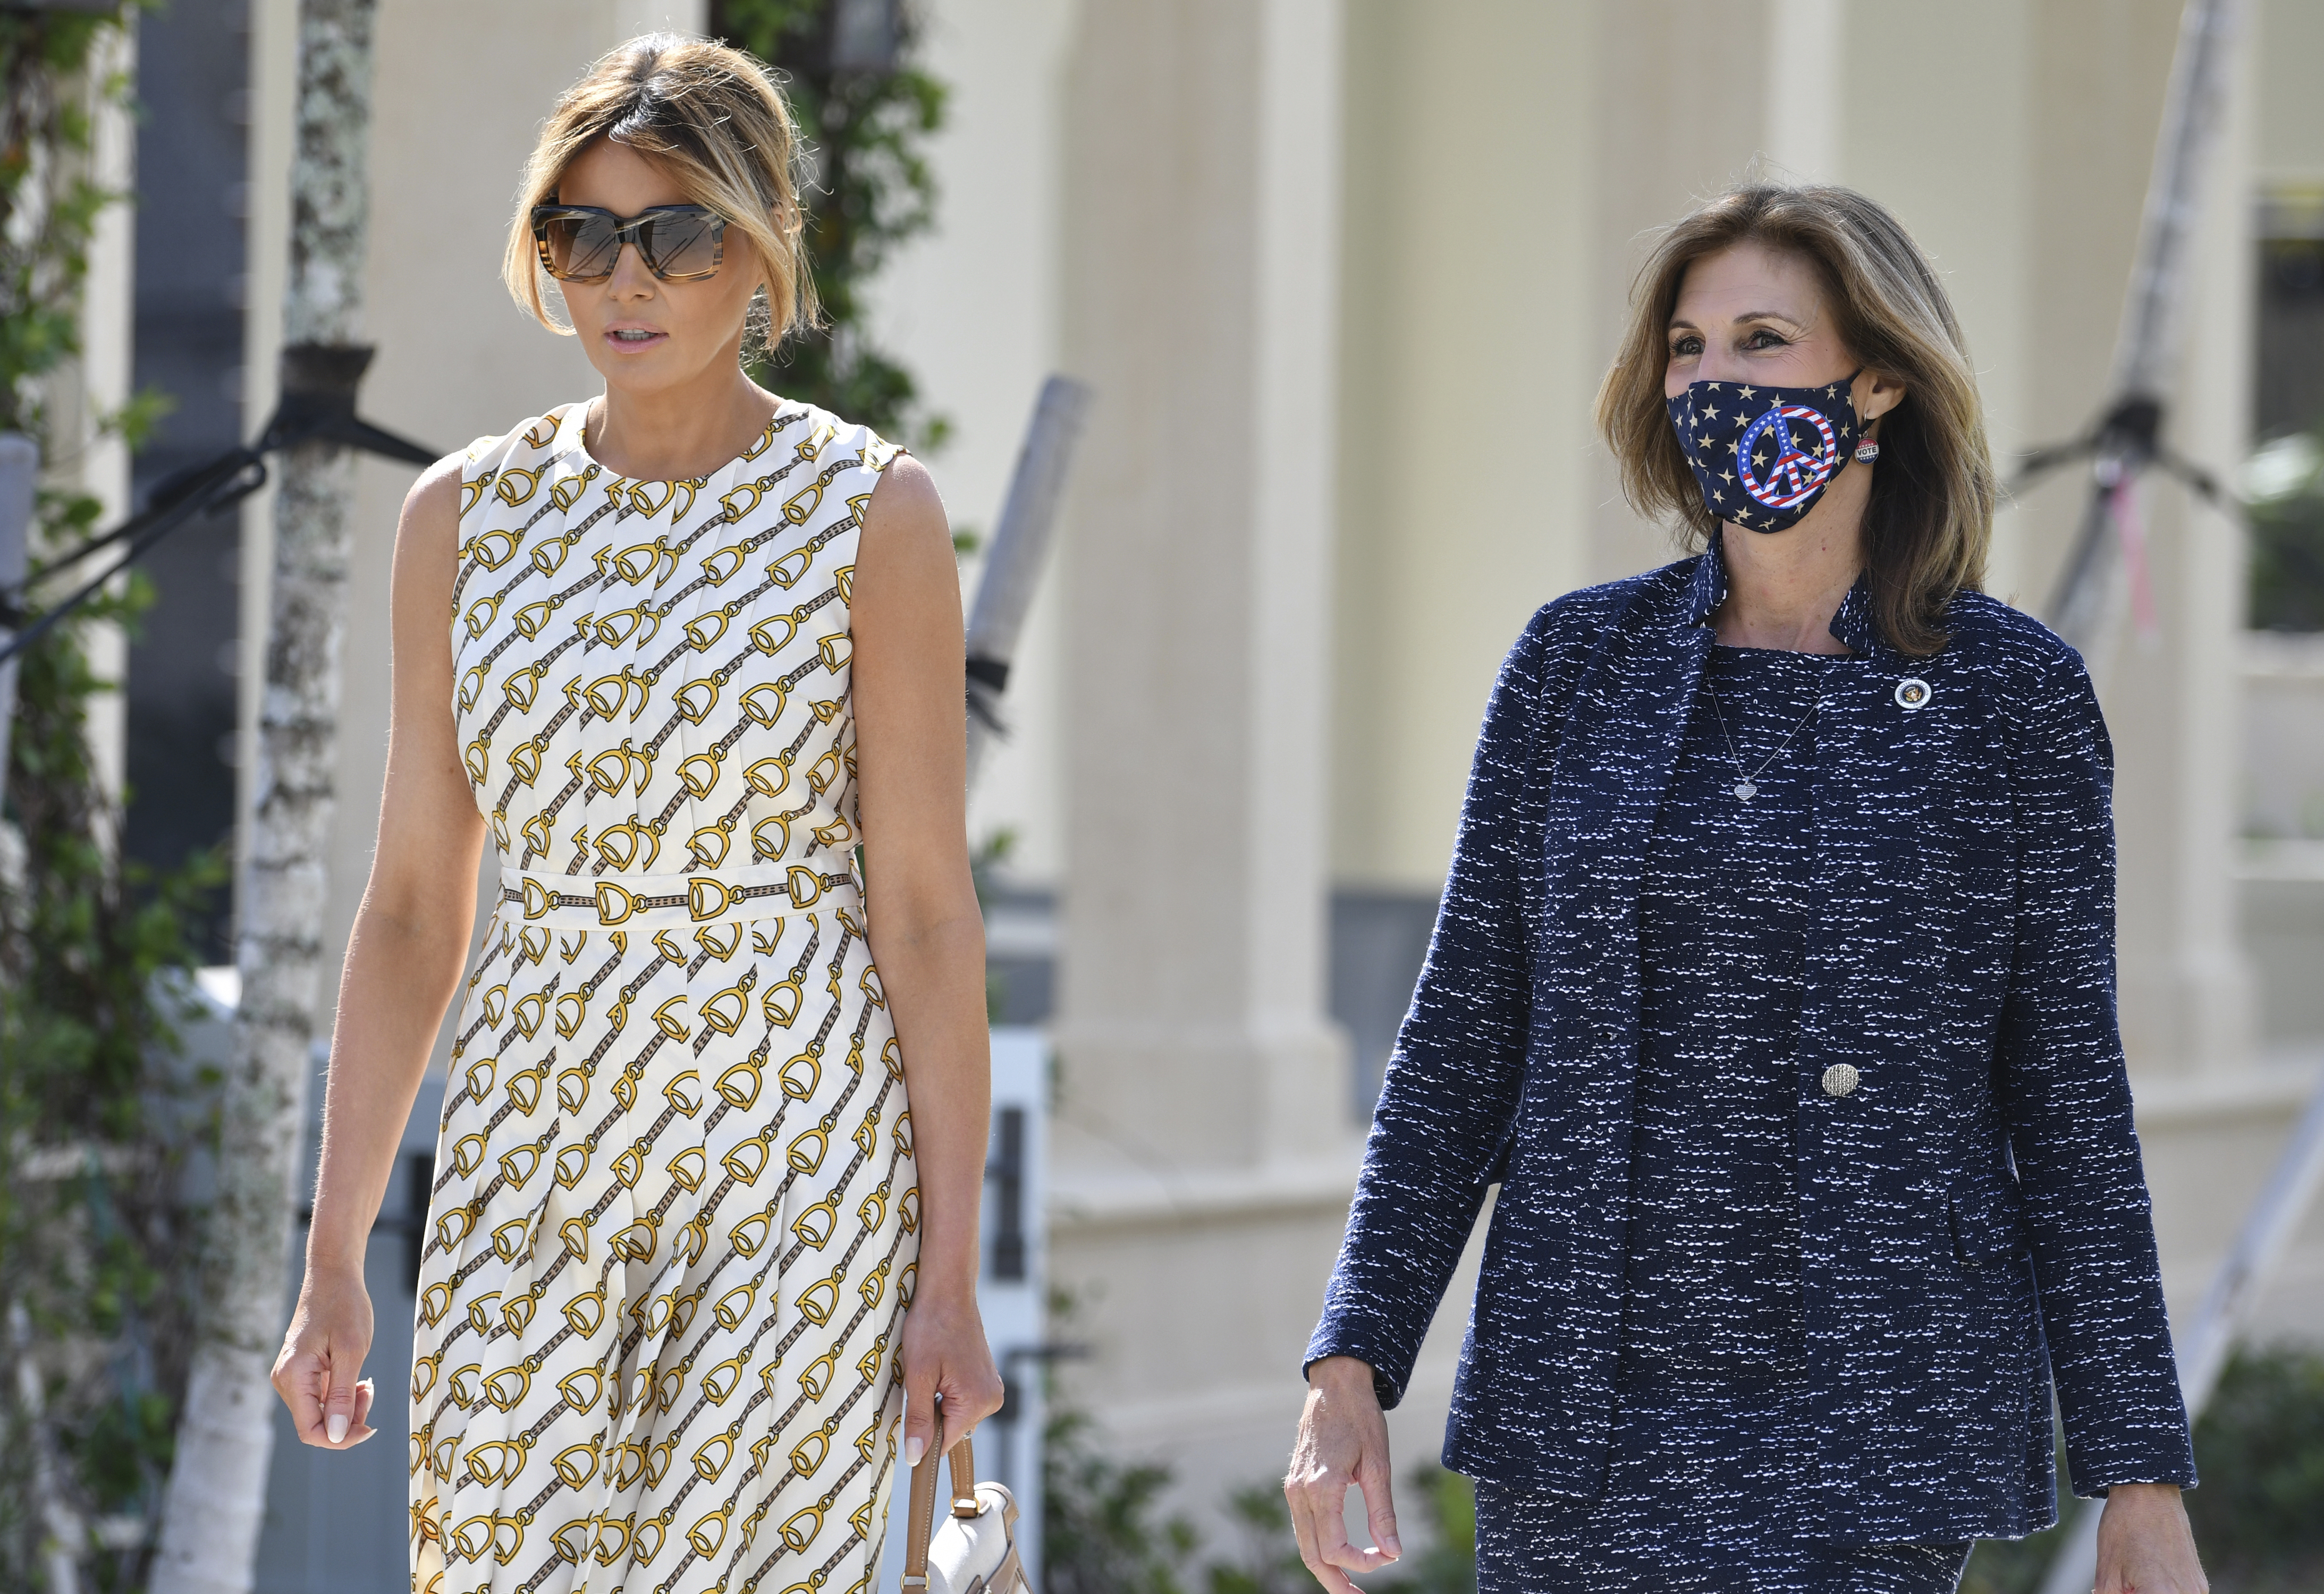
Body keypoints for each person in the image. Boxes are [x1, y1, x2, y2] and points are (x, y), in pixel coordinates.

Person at [1285, 185, 2209, 1594]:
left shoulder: (2013, 698)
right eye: (1688, 348)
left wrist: (2138, 1475)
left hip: (1876, 1402)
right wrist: (1354, 1356)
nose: (1715, 381)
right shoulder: (1577, 666)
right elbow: (1464, 1038)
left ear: (1881, 379)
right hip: (1589, 1398)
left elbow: (2066, 1092)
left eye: (1764, 340)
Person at [266, 35, 1002, 1589]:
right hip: (528, 1152)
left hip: (798, 1168)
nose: (628, 276)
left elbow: (929, 910)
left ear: (759, 250)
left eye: (675, 231)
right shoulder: (461, 519)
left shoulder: (873, 515)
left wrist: (949, 1276)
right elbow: (411, 906)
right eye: (582, 233)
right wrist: (332, 1258)